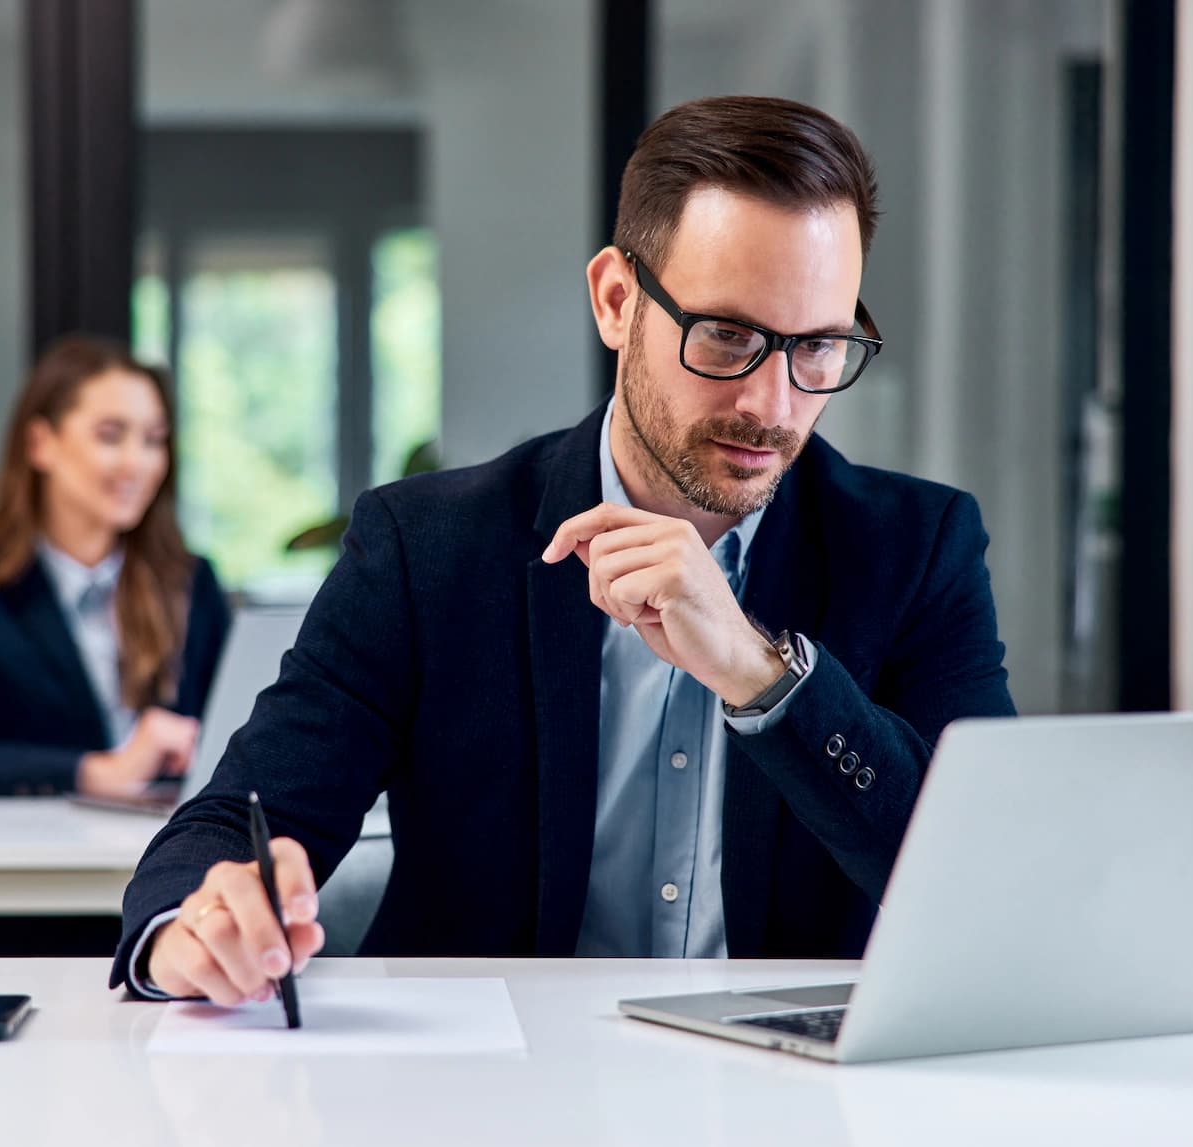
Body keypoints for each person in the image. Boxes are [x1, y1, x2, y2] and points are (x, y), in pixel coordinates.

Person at [113, 95, 1015, 1004]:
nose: (774, 406)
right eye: (729, 336)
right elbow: (232, 822)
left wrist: (762, 674)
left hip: (793, 1101)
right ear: (617, 300)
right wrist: (199, 926)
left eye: (817, 347)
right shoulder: (428, 550)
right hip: (497, 1091)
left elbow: (987, 879)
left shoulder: (914, 548)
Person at [0, 334, 230, 956]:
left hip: (173, 921)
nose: (138, 462)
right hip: (12, 926)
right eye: (110, 434)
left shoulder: (192, 585)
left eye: (153, 439)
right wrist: (97, 772)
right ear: (41, 442)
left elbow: (237, 729)